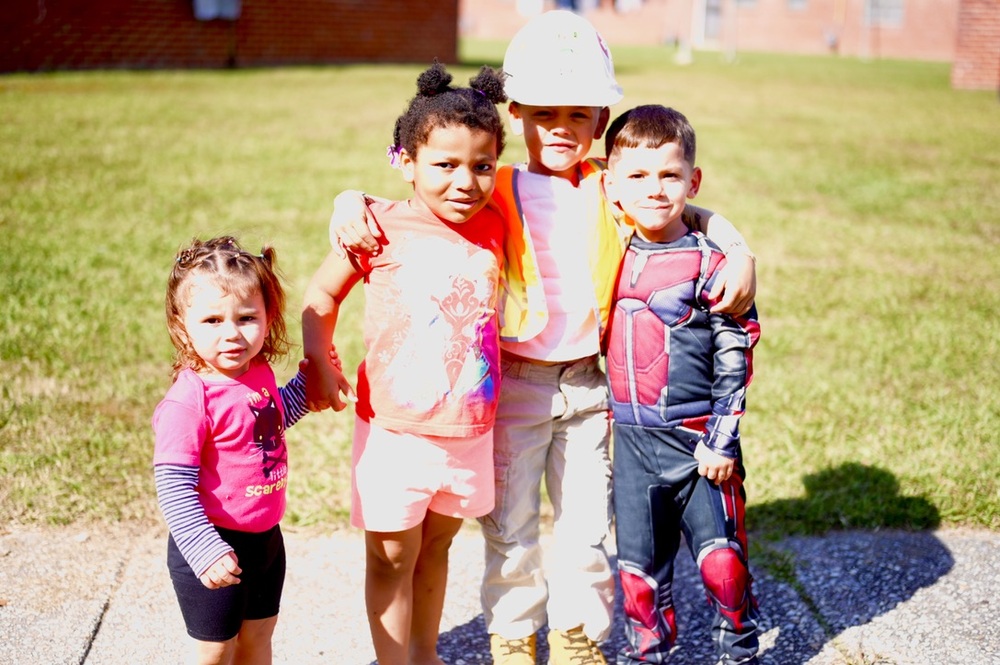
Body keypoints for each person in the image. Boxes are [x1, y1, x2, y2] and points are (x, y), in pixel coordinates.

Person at [326, 11, 757, 664]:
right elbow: (415, 196)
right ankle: (512, 636)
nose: (562, 129)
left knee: (587, 527)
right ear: (518, 113)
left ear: (600, 123)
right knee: (511, 528)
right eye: (545, 114)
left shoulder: (609, 186)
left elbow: (682, 206)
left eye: (580, 115)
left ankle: (579, 635)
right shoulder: (493, 184)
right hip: (517, 384)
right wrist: (347, 200)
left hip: (589, 385)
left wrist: (737, 247)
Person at [300, 62, 509, 665]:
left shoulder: (498, 223)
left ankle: (425, 656)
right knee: (390, 554)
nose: (465, 181)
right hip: (393, 434)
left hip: (469, 432)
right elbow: (320, 299)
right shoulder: (377, 227)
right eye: (444, 164)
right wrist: (320, 359)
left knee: (436, 549)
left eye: (481, 165)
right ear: (406, 162)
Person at [602, 104, 761, 665]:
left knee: (722, 566)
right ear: (611, 185)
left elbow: (735, 352)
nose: (655, 189)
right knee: (639, 576)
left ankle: (739, 649)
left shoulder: (709, 262)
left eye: (670, 175)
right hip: (632, 444)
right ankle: (650, 656)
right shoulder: (607, 252)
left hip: (698, 445)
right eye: (638, 177)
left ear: (693, 182)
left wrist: (721, 439)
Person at [153, 235, 310, 665]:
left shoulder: (255, 372)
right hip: (209, 543)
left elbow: (269, 419)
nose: (232, 334)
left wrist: (306, 390)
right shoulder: (189, 401)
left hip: (265, 541)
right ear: (180, 323)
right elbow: (173, 485)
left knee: (258, 640)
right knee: (215, 652)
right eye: (212, 321)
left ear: (268, 315)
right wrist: (204, 548)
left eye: (246, 318)